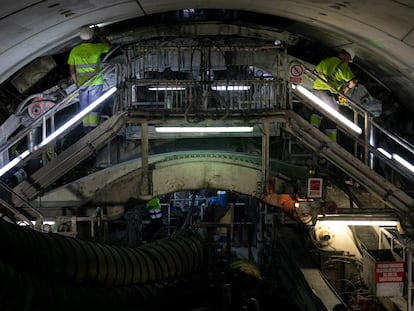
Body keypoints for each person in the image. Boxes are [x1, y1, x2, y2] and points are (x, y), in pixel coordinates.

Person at [67, 26, 111, 133]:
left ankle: (86, 128)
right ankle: (93, 127)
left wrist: (76, 81)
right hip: (96, 82)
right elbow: (109, 46)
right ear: (91, 38)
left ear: (80, 38)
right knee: (94, 106)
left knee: (84, 106)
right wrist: (101, 36)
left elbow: (71, 68)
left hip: (82, 83)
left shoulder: (75, 50)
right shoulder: (97, 47)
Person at [311, 48, 357, 141]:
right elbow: (353, 82)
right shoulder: (342, 66)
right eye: (349, 59)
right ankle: (331, 141)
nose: (348, 62)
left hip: (316, 90)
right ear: (346, 56)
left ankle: (312, 130)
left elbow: (314, 72)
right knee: (332, 116)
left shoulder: (326, 60)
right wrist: (346, 88)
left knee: (317, 111)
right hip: (327, 93)